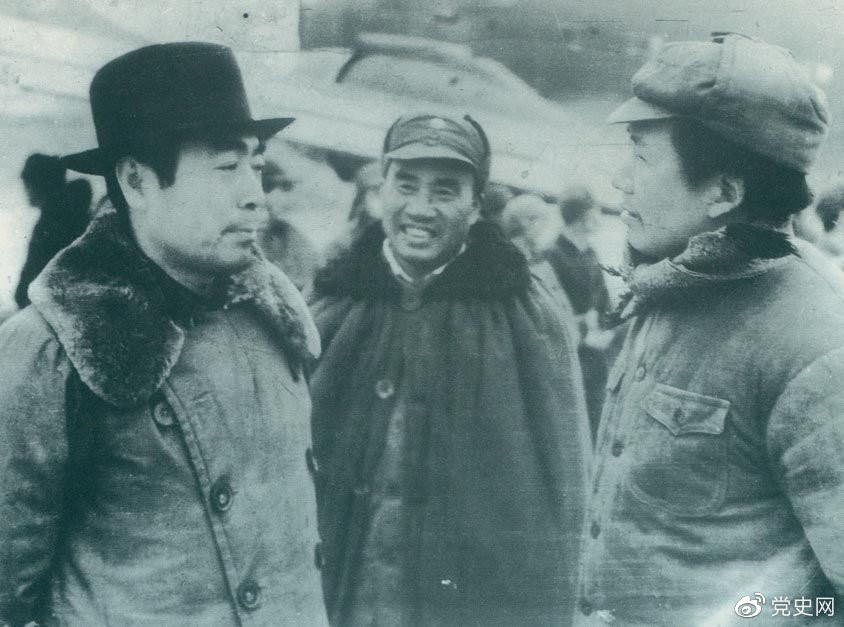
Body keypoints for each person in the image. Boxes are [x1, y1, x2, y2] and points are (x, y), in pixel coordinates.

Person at [0, 43, 327, 626]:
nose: (254, 195)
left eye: (255, 165)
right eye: (226, 168)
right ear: (136, 181)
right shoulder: (53, 346)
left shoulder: (270, 318)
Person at [578, 34, 844, 625]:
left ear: (724, 192)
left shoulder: (820, 347)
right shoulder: (671, 280)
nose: (620, 179)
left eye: (642, 157)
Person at [309, 113, 590, 626]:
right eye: (405, 184)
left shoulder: (527, 316)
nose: (420, 208)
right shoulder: (332, 303)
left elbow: (564, 482)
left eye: (445, 190)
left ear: (476, 205)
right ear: (381, 189)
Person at [544, 185, 613, 438]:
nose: (599, 217)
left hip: (595, 357)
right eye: (595, 211)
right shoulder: (550, 255)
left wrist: (606, 328)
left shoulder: (591, 254)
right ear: (584, 215)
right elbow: (547, 312)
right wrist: (585, 330)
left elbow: (604, 302)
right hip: (565, 356)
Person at [14, 154, 91, 308]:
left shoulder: (50, 223)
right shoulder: (77, 215)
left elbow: (26, 288)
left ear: (39, 184)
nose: (26, 190)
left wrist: (22, 295)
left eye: (28, 183)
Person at [259, 157, 323, 291]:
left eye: (286, 188)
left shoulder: (288, 233)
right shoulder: (240, 232)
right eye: (269, 187)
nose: (280, 195)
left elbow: (312, 270)